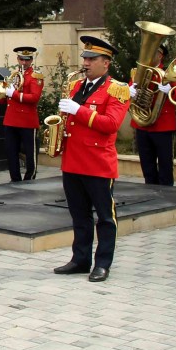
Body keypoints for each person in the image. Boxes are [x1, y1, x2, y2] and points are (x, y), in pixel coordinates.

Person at [51, 37, 130, 283]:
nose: (85, 63)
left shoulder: (117, 89)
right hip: (73, 161)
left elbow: (111, 124)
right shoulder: (76, 86)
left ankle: (103, 263)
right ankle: (80, 259)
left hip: (98, 163)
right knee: (79, 215)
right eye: (85, 58)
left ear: (105, 63)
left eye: (91, 59)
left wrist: (79, 111)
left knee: (105, 217)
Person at [0, 46, 43, 182]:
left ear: (31, 60)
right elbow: (5, 100)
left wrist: (13, 93)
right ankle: (15, 179)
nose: (24, 63)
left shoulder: (35, 76)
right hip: (11, 119)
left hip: (27, 120)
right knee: (11, 152)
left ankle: (29, 178)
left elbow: (34, 98)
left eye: (27, 59)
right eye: (21, 59)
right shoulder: (13, 75)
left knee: (30, 153)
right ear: (18, 59)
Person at [130, 41, 176, 186]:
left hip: (162, 125)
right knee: (147, 166)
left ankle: (167, 196)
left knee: (165, 166)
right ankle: (150, 192)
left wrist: (170, 89)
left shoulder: (170, 73)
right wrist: (129, 91)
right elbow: (128, 94)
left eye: (152, 52)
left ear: (160, 55)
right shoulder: (138, 71)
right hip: (142, 125)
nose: (148, 56)